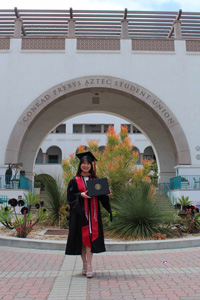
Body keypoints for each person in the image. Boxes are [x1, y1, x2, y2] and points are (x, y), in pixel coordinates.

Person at [65, 151, 112, 278]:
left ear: (91, 165)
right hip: (80, 214)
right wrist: (80, 195)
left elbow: (101, 196)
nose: (86, 166)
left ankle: (90, 265)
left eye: (88, 163)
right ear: (80, 165)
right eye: (83, 163)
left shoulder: (96, 180)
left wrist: (106, 194)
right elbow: (69, 197)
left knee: (90, 239)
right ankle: (84, 264)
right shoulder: (74, 181)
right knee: (81, 239)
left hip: (93, 216)